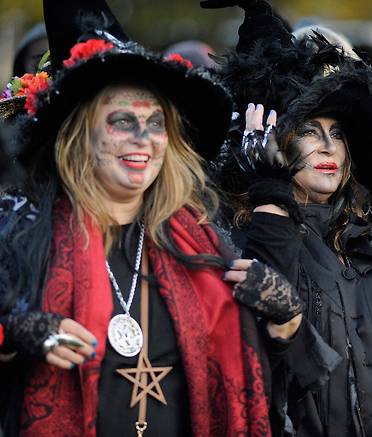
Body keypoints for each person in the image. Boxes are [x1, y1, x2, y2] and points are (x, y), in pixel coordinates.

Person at [0, 1, 298, 436]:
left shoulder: (199, 245)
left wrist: (285, 321)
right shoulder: (20, 233)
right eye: (122, 121)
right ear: (81, 134)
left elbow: (244, 377)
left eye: (156, 122)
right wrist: (11, 336)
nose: (143, 139)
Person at [202, 1, 372, 436]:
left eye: (338, 134)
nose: (328, 147)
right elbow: (256, 355)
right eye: (309, 131)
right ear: (272, 140)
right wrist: (270, 194)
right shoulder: (238, 241)